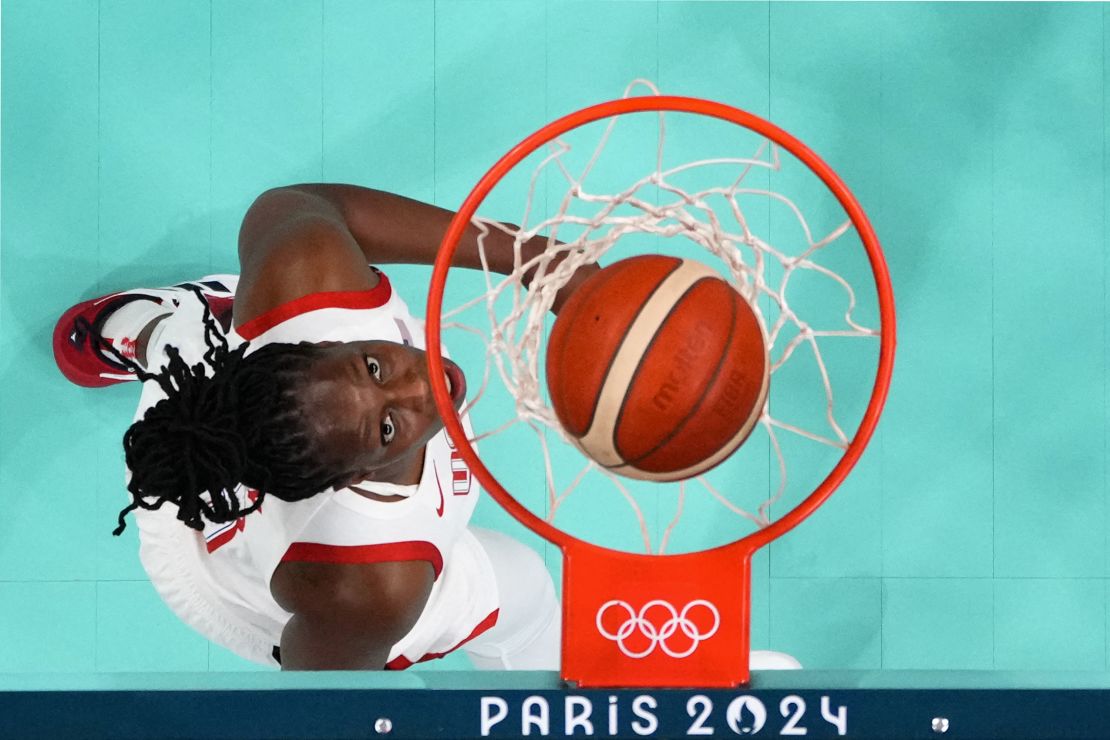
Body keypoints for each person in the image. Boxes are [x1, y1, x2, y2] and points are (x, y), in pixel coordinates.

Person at [52, 184, 578, 671]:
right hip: (234, 579)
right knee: (527, 588)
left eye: (374, 367)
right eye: (388, 428)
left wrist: (533, 257)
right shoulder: (371, 585)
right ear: (346, 479)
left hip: (232, 397)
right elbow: (321, 694)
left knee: (200, 349)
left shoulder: (305, 269)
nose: (423, 384)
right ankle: (162, 336)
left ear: (324, 344)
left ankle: (169, 328)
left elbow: (311, 206)